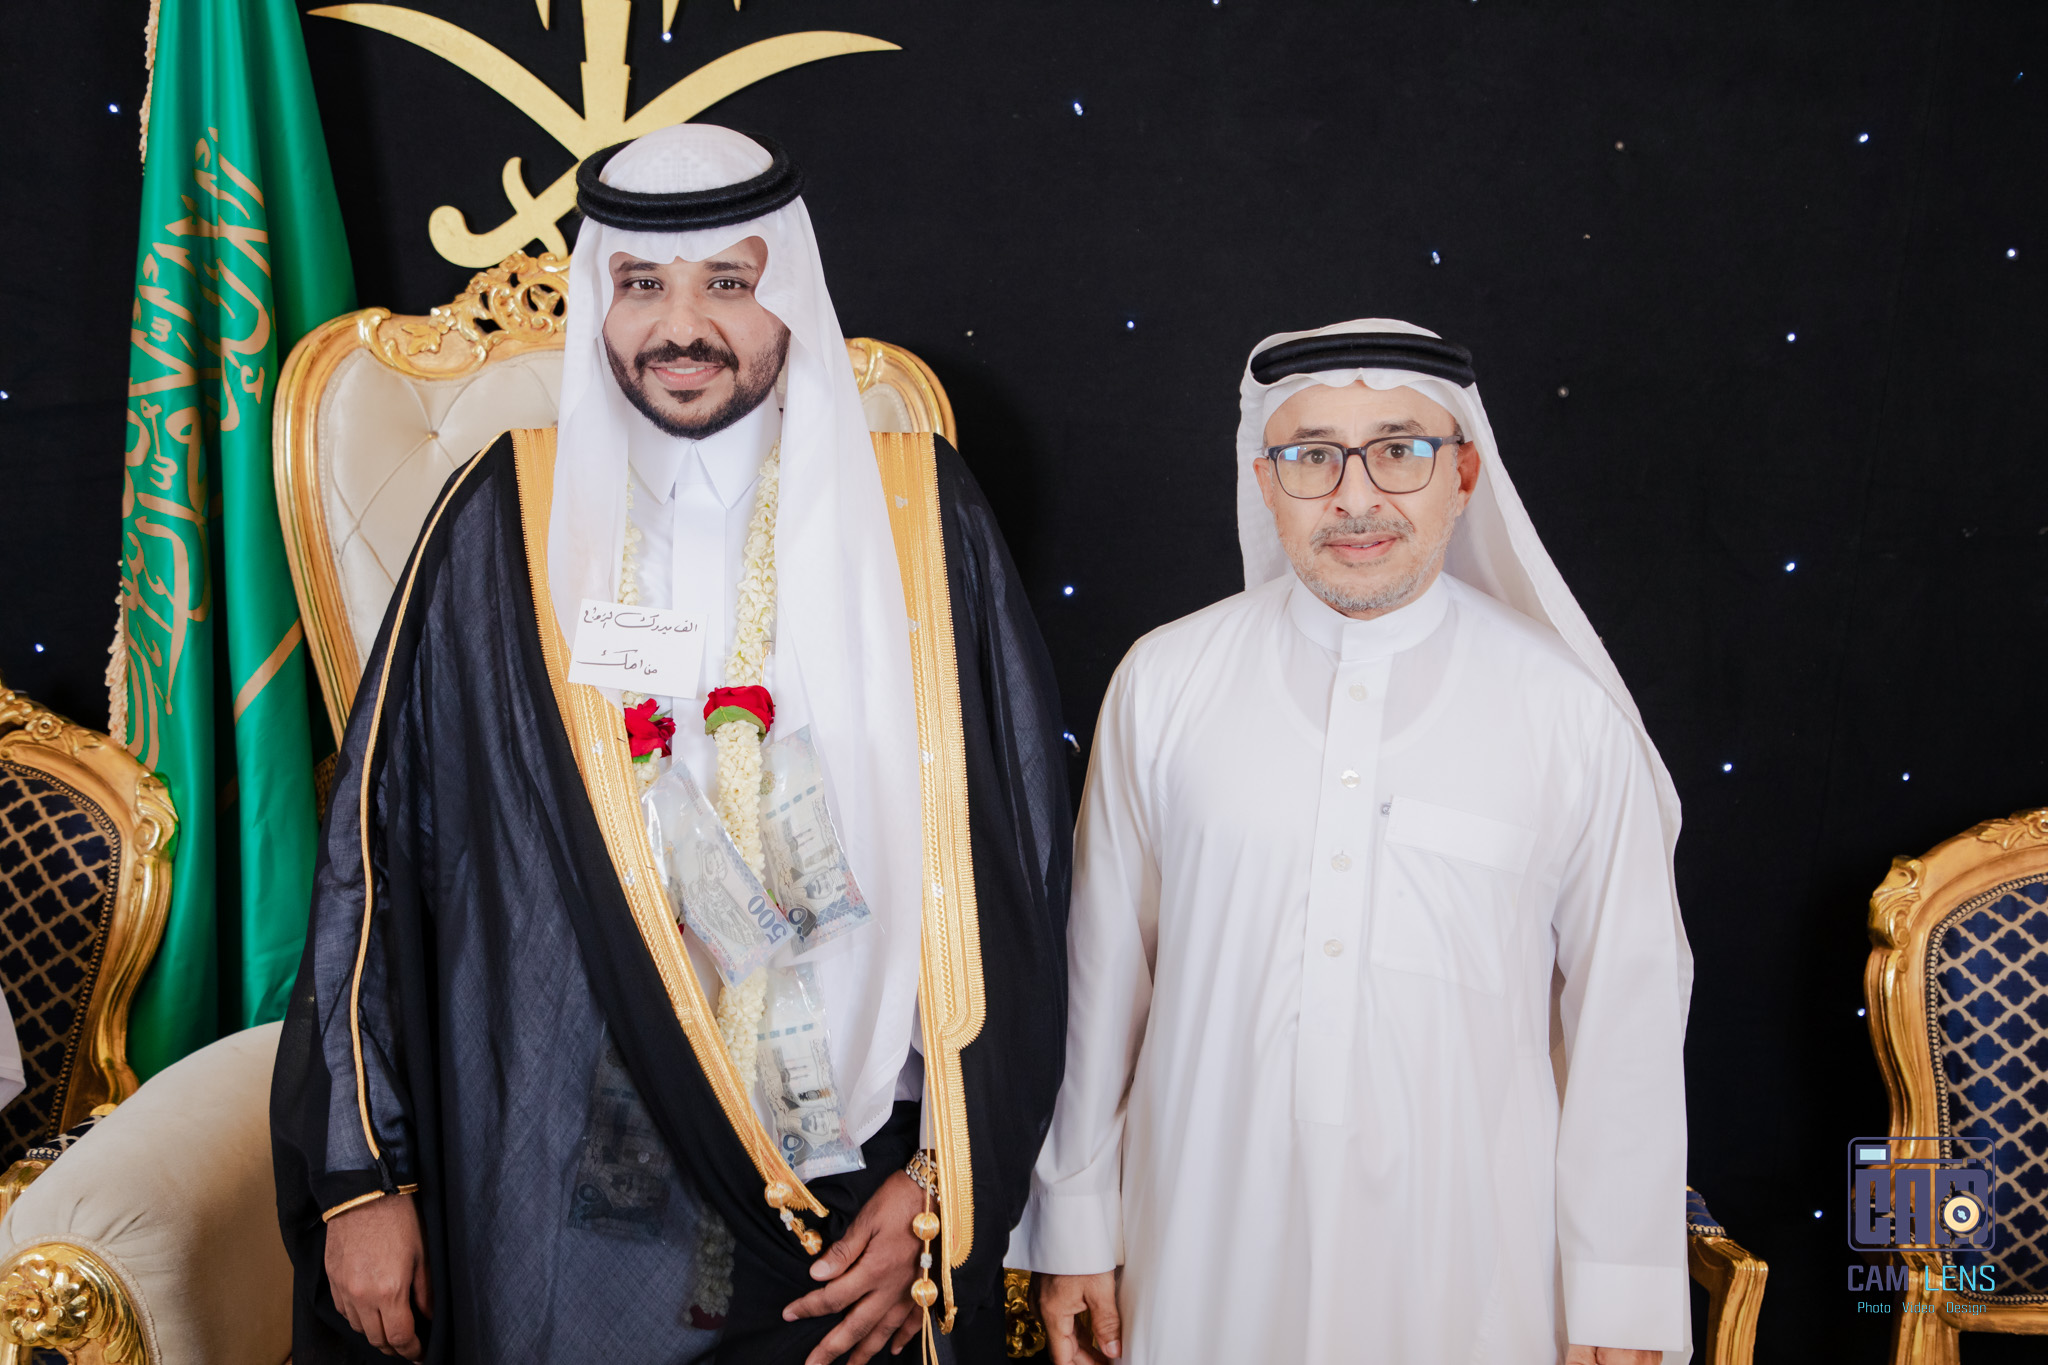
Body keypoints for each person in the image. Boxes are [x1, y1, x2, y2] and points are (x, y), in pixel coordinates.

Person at [272, 125, 1071, 1365]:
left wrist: (938, 1183)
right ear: (601, 300)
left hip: (858, 1198)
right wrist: (360, 1178)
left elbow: (1016, 869)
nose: (680, 326)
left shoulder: (918, 513)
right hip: (568, 1196)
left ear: (787, 292)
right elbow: (376, 858)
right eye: (641, 283)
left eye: (726, 283)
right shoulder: (501, 518)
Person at [1017, 321, 1692, 1364]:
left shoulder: (1565, 714)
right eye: (1312, 457)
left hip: (1471, 1259)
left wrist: (1618, 1296)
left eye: (1398, 450)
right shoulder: (1164, 682)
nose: (1355, 496)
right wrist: (1074, 1226)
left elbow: (1624, 1020)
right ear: (1265, 481)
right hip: (1199, 1235)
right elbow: (1102, 980)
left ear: (1462, 475)